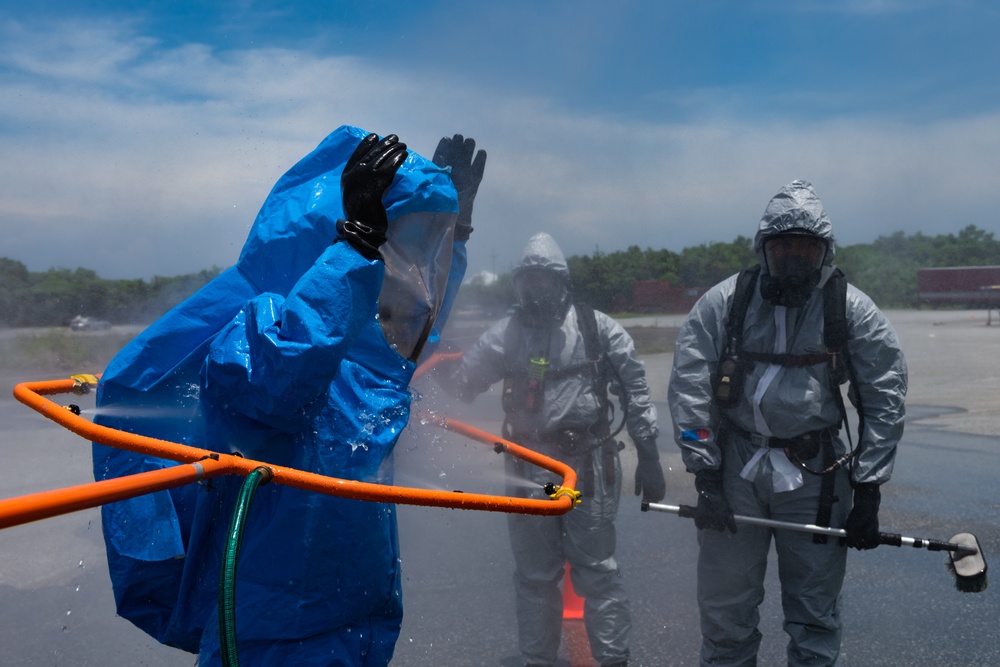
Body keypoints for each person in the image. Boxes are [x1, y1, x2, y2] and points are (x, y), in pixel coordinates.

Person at [91, 125, 486, 665]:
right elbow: (281, 384)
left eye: (424, 251)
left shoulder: (372, 360)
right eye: (403, 247)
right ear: (333, 238)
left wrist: (454, 239)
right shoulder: (254, 333)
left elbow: (415, 322)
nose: (411, 275)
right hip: (271, 632)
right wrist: (355, 250)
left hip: (359, 619)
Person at [667, 179, 907, 666]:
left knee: (814, 614)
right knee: (725, 611)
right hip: (734, 470)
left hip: (816, 475)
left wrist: (869, 488)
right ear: (764, 251)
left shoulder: (851, 309)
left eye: (805, 248)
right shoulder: (724, 303)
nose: (793, 258)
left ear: (825, 253)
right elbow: (690, 387)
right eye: (782, 248)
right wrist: (705, 472)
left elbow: (884, 395)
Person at [442, 232, 666, 667]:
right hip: (530, 474)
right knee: (535, 576)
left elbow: (637, 390)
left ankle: (614, 660)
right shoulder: (505, 335)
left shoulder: (597, 329)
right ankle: (538, 661)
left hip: (587, 469)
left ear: (562, 282)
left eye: (543, 280)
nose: (535, 289)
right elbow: (461, 385)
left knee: (597, 571)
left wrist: (650, 454)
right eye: (527, 281)